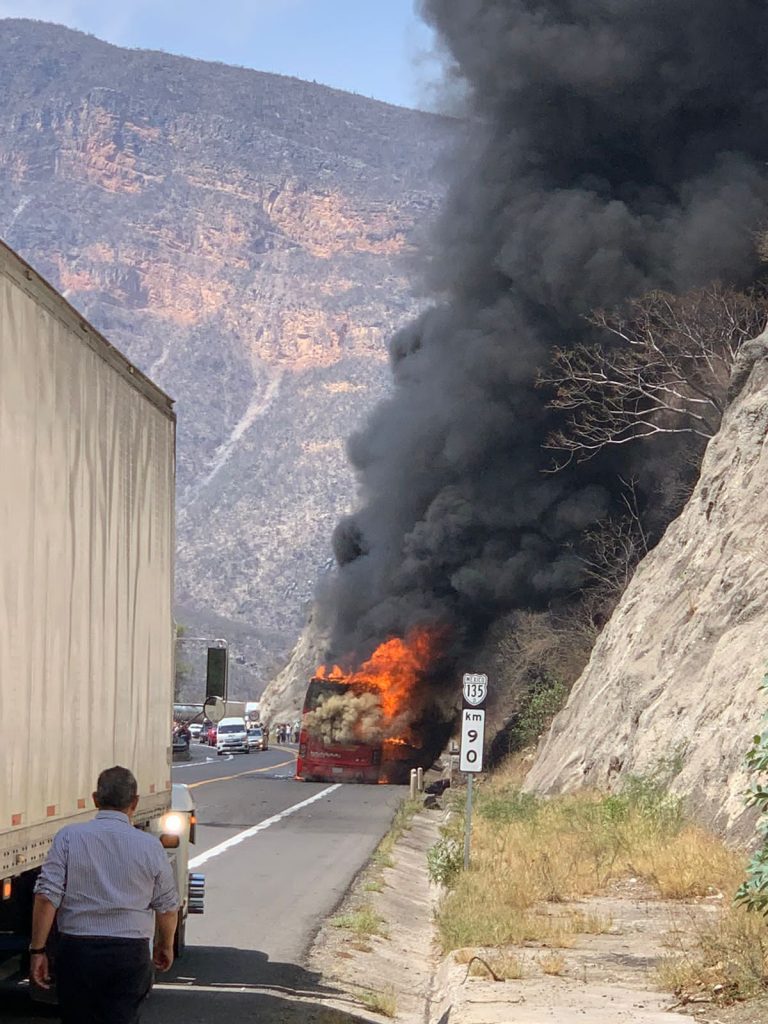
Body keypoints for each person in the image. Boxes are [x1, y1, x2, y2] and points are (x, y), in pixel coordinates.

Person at [29, 765, 179, 1024]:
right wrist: (165, 945)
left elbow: (46, 896)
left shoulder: (68, 838)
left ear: (95, 800)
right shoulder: (150, 847)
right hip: (130, 954)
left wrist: (38, 950)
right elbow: (167, 906)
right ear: (135, 802)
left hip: (78, 952)